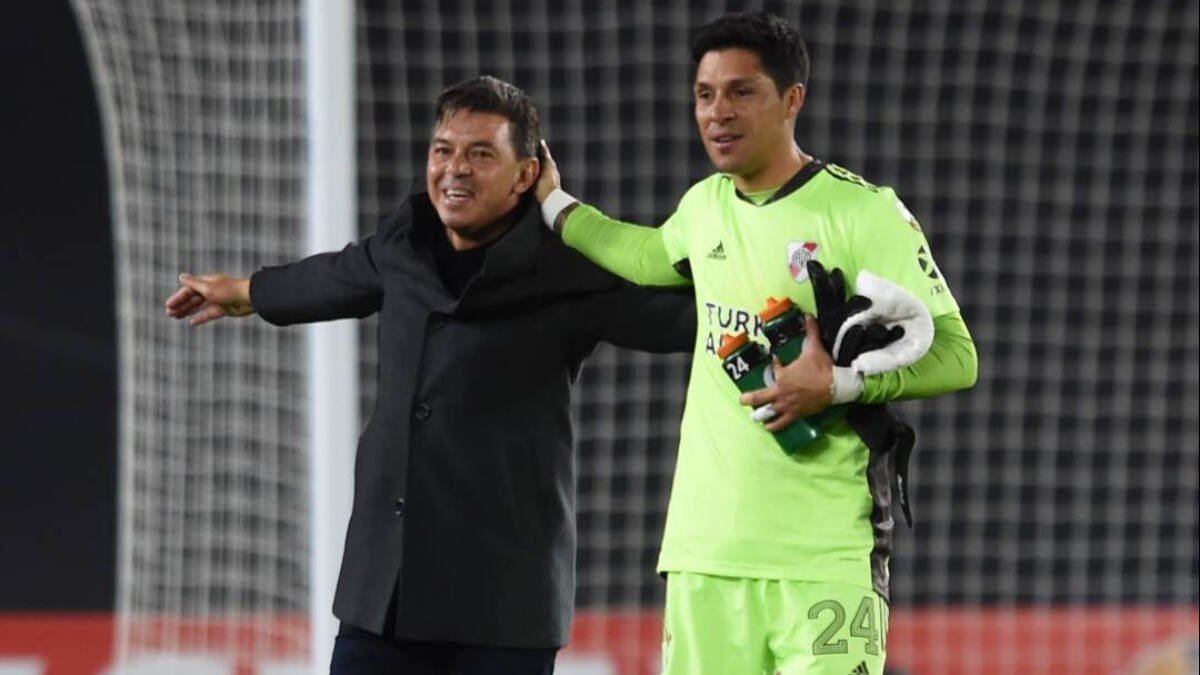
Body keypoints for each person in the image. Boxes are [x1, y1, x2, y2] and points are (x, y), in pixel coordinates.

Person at [165, 76, 694, 675]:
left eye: (480, 153)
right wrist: (248, 291)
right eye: (443, 150)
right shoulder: (404, 240)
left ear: (527, 175)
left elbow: (683, 320)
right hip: (385, 595)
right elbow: (337, 276)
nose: (455, 169)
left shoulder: (568, 268)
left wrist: (775, 312)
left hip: (504, 607)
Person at [536, 11, 978, 675]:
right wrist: (554, 204)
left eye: (742, 91)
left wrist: (837, 384)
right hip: (706, 553)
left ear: (792, 99)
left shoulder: (863, 212)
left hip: (825, 556)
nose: (719, 112)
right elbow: (647, 252)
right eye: (705, 94)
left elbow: (957, 355)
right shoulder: (704, 206)